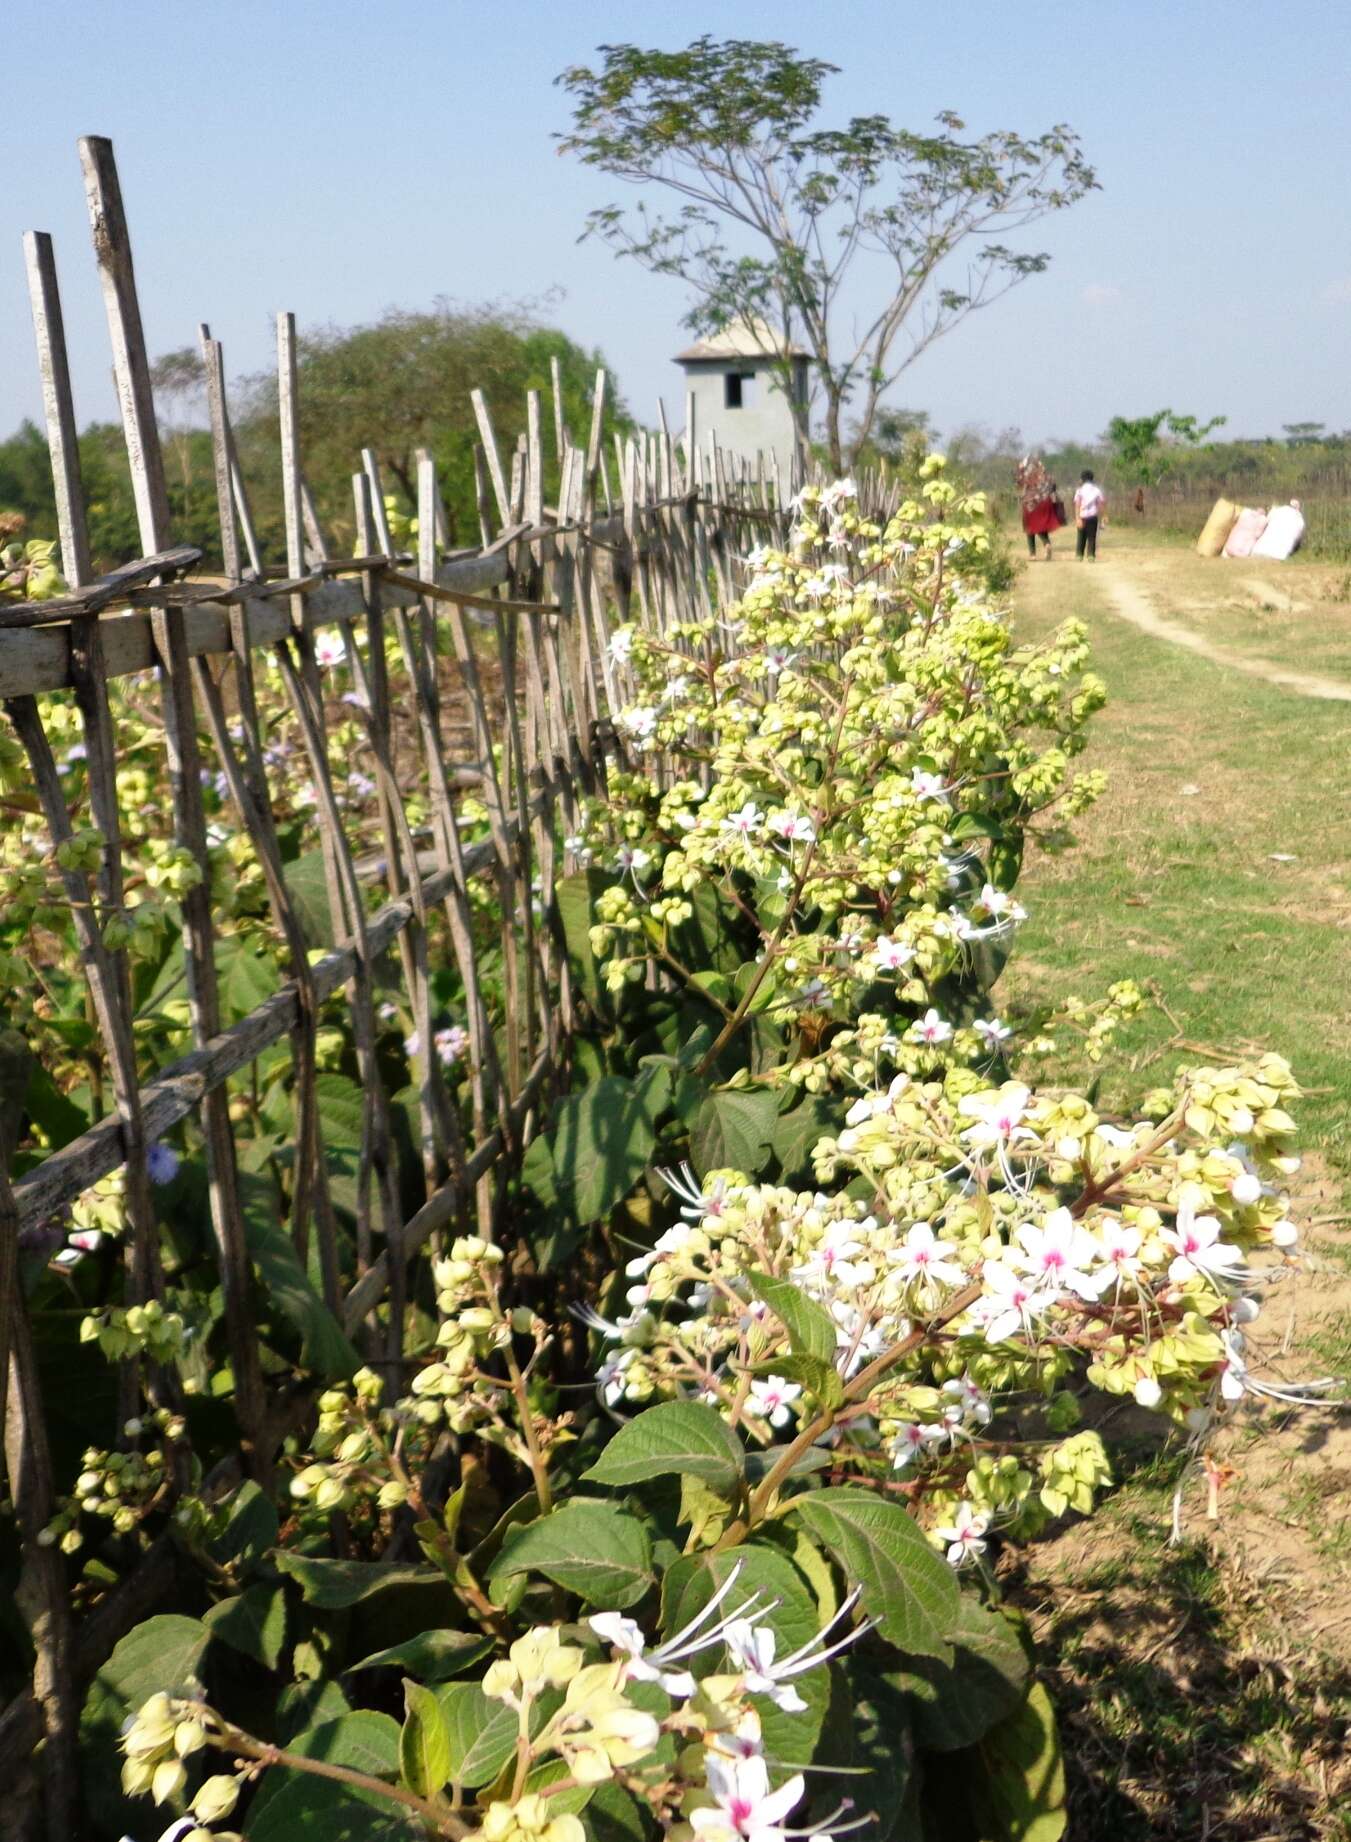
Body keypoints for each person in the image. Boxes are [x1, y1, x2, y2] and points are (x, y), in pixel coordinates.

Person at [1015, 456, 1064, 560]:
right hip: (1044, 502)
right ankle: (1046, 544)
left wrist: (1020, 470)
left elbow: (1018, 484)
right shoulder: (1044, 474)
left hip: (1030, 503)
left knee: (1029, 527)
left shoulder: (1025, 474)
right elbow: (1053, 486)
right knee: (1040, 525)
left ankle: (1032, 554)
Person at [1074, 469, 1106, 561]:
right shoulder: (1097, 490)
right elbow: (1100, 504)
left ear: (1082, 479)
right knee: (1092, 536)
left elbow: (1077, 504)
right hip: (1092, 516)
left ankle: (1079, 555)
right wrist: (1104, 516)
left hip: (1082, 515)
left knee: (1081, 536)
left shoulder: (1079, 491)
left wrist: (1077, 518)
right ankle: (1091, 555)